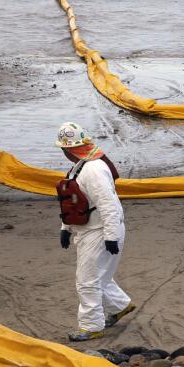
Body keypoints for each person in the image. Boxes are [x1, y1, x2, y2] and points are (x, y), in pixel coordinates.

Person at [54, 122, 135, 341]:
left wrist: (110, 236)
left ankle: (91, 326)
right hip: (91, 228)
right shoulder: (79, 167)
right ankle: (120, 306)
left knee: (87, 280)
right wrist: (66, 228)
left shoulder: (93, 169)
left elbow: (108, 204)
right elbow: (72, 202)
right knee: (101, 277)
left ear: (67, 148)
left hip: (99, 230)